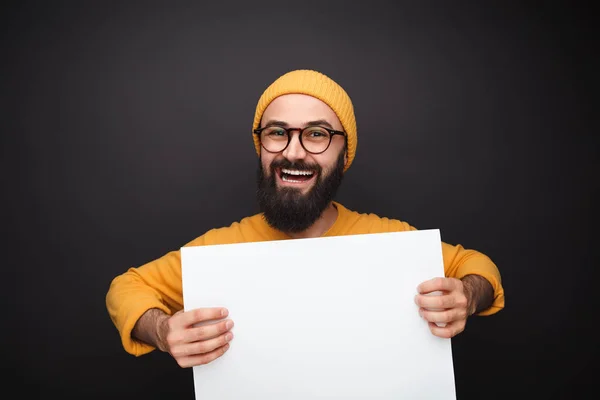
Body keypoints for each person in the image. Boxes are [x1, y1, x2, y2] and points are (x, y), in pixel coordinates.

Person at [106, 69, 505, 369]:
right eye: (278, 132)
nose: (293, 152)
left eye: (316, 134)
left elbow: (476, 265)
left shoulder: (387, 239)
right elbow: (125, 288)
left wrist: (467, 296)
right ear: (261, 146)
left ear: (343, 154)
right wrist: (162, 331)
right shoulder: (220, 249)